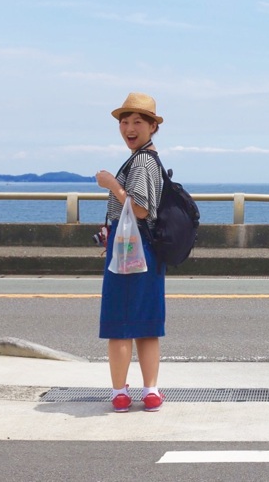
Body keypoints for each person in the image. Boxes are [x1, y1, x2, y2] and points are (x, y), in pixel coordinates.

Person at [95, 92, 167, 412]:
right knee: (146, 324)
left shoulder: (140, 160)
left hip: (131, 251)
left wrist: (111, 183)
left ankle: (120, 393)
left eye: (138, 121)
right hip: (148, 250)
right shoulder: (149, 158)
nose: (129, 128)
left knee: (120, 323)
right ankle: (150, 391)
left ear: (153, 127)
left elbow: (138, 209)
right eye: (124, 122)